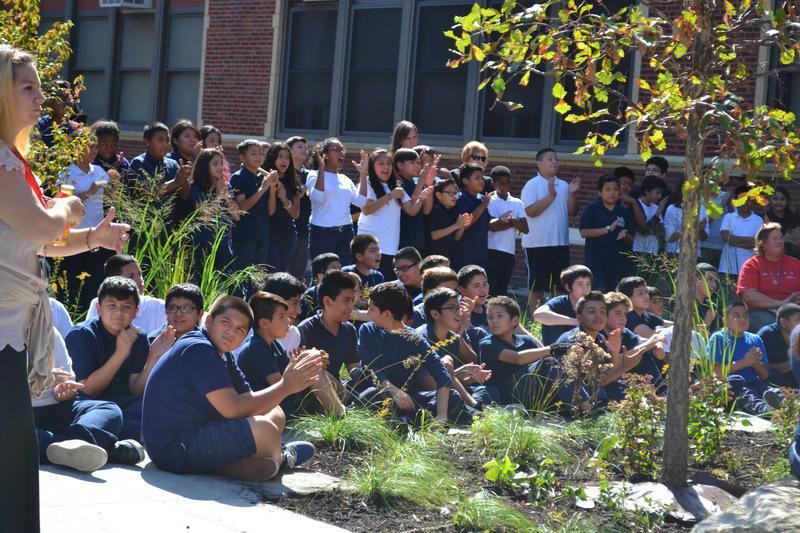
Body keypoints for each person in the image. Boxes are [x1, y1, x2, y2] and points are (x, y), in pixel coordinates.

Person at [0, 45, 128, 531]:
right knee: (9, 454)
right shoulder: (1, 162)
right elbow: (41, 225)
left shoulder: (12, 161)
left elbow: (37, 241)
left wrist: (93, 237)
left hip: (11, 331)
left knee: (12, 454)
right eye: (28, 87)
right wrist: (68, 208)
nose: (40, 97)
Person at [142, 296, 320, 480]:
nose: (231, 332)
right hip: (174, 448)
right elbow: (232, 409)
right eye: (226, 322)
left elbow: (248, 399)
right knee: (266, 430)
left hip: (199, 431)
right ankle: (282, 459)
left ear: (245, 336)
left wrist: (288, 384)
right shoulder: (198, 349)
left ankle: (226, 464)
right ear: (208, 321)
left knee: (275, 413)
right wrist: (286, 386)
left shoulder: (224, 354)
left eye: (240, 329)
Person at [67, 277, 176, 440]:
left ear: (136, 312)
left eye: (126, 307)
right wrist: (120, 354)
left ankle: (121, 439)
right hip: (90, 404)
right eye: (112, 306)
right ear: (99, 308)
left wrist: (153, 357)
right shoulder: (81, 335)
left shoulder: (138, 338)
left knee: (161, 407)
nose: (118, 312)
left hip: (124, 404)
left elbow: (135, 390)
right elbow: (86, 390)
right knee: (111, 415)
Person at [34, 328, 143, 473]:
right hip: (16, 413)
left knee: (108, 409)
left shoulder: (49, 332)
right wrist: (39, 379)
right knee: (10, 436)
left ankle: (77, 444)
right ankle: (105, 450)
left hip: (57, 406)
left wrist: (64, 391)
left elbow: (67, 381)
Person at [357, 282, 461, 422]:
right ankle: (406, 422)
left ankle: (409, 420)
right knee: (369, 396)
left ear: (387, 314)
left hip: (409, 401)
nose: (368, 312)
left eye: (371, 308)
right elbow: (369, 367)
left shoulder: (415, 338)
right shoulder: (367, 330)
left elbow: (442, 375)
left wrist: (442, 415)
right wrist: (394, 391)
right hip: (383, 393)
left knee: (453, 396)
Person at [238, 292, 345, 416]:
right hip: (272, 407)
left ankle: (345, 403)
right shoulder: (256, 348)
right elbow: (280, 386)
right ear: (264, 323)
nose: (288, 320)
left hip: (284, 400)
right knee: (311, 362)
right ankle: (341, 413)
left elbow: (288, 372)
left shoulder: (275, 345)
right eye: (282, 317)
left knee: (312, 361)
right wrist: (306, 363)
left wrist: (309, 360)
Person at [56, 133, 115, 312]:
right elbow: (62, 203)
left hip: (96, 236)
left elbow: (112, 196)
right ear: (76, 148)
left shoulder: (99, 171)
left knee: (94, 281)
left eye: (95, 146)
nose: (93, 150)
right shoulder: (66, 172)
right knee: (71, 281)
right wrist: (90, 191)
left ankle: (89, 314)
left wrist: (114, 181)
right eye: (89, 146)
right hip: (73, 236)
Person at [521, 148, 581, 313]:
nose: (554, 162)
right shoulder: (532, 184)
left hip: (560, 244)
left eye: (556, 159)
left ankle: (555, 318)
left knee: (560, 286)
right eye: (549, 159)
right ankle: (536, 320)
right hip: (537, 244)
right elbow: (530, 211)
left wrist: (571, 194)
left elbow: (572, 211)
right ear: (539, 164)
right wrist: (550, 196)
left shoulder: (564, 185)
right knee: (537, 286)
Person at [357, 148, 427, 280]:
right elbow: (366, 209)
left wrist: (422, 198)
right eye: (381, 163)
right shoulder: (368, 183)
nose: (386, 167)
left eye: (388, 163)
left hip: (390, 247)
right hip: (369, 247)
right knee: (367, 284)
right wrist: (389, 196)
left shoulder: (396, 186)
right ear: (372, 166)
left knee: (385, 283)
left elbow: (411, 210)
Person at [707, 300, 783, 415]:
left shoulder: (755, 339)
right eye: (737, 316)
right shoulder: (717, 338)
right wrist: (745, 362)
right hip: (733, 386)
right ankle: (766, 412)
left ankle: (784, 406)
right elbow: (715, 372)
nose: (742, 319)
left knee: (774, 392)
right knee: (744, 391)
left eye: (745, 316)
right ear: (725, 320)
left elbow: (764, 375)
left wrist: (755, 363)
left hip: (755, 383)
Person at [479, 296, 554, 408]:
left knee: (553, 364)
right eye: (490, 317)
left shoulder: (527, 340)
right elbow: (517, 358)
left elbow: (547, 357)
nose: (494, 321)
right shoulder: (487, 343)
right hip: (505, 395)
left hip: (531, 391)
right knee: (545, 364)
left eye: (500, 316)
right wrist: (552, 349)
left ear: (514, 320)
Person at [307, 138, 369, 264]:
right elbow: (318, 198)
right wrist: (322, 168)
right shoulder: (314, 175)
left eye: (342, 149)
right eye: (336, 149)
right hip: (322, 234)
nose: (342, 153)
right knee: (323, 272)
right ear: (325, 155)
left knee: (345, 272)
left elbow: (361, 202)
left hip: (346, 233)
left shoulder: (345, 179)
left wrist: (363, 174)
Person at [297, 271, 361, 384]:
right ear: (327, 301)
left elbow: (353, 369)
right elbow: (308, 373)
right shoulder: (306, 329)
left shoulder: (349, 330)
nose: (351, 306)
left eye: (352, 301)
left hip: (339, 388)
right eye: (346, 301)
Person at [737, 222, 800, 332]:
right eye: (775, 238)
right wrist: (780, 303)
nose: (779, 241)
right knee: (774, 327)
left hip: (793, 310)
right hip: (762, 311)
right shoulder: (752, 264)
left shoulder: (795, 263)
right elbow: (748, 295)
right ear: (763, 244)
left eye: (781, 237)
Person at [128, 121, 192, 229]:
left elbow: (185, 195)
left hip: (167, 227)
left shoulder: (173, 164)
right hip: (143, 226)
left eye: (167, 140)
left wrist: (184, 178)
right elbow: (148, 193)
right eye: (160, 140)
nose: (166, 144)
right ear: (147, 142)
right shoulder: (138, 163)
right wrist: (175, 182)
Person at [230, 139, 278, 280]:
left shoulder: (262, 176)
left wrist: (272, 188)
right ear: (242, 157)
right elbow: (242, 208)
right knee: (242, 277)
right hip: (245, 236)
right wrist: (263, 188)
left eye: (261, 153)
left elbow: (271, 211)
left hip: (262, 234)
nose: (259, 157)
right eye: (253, 153)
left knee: (258, 278)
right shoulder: (238, 177)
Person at [579, 173, 635, 291]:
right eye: (608, 190)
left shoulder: (624, 211)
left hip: (620, 264)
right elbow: (584, 232)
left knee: (617, 296)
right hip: (597, 263)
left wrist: (625, 235)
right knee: (599, 294)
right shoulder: (591, 209)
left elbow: (632, 239)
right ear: (600, 192)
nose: (612, 193)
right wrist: (607, 229)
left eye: (615, 189)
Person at [85, 254, 167, 333]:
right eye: (131, 276)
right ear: (115, 280)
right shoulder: (99, 303)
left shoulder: (158, 307)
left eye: (140, 274)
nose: (140, 280)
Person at [188, 148, 236, 275]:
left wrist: (225, 194)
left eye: (221, 163)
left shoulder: (226, 186)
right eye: (215, 164)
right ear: (205, 166)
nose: (220, 167)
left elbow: (236, 215)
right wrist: (219, 195)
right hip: (204, 243)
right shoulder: (196, 188)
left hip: (223, 242)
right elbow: (205, 215)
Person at [486, 166, 528, 296]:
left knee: (503, 289)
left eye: (507, 183)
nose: (505, 186)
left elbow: (525, 229)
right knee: (490, 288)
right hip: (491, 251)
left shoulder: (517, 202)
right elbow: (491, 227)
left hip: (509, 253)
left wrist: (510, 221)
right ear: (493, 183)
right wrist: (513, 223)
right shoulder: (489, 201)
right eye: (501, 183)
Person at [534, 265, 593, 345]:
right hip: (553, 351)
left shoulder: (592, 305)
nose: (585, 289)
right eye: (580, 284)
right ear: (568, 287)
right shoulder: (559, 302)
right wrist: (575, 322)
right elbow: (538, 315)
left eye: (588, 284)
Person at [264, 142, 301, 272]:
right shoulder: (264, 179)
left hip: (288, 235)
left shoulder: (293, 182)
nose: (284, 161)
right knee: (274, 272)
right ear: (272, 158)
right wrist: (272, 190)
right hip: (269, 234)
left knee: (282, 272)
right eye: (280, 156)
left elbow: (296, 214)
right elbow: (270, 212)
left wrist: (284, 199)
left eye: (287, 157)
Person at [453, 163, 493, 271]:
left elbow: (487, 223)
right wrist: (484, 205)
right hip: (464, 255)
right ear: (465, 181)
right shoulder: (460, 198)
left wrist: (502, 220)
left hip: (481, 255)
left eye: (482, 178)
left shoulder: (482, 198)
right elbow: (465, 224)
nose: (481, 181)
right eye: (477, 178)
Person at [394, 147, 435, 252]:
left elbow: (426, 211)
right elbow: (411, 207)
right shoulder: (397, 184)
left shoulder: (417, 183)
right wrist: (421, 181)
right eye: (412, 162)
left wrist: (429, 185)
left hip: (418, 239)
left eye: (418, 163)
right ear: (400, 165)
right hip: (402, 239)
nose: (417, 166)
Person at [719, 185, 763, 279]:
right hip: (727, 268)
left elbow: (757, 244)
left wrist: (733, 240)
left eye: (749, 199)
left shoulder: (759, 220)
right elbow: (726, 238)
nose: (746, 202)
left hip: (749, 269)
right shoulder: (729, 217)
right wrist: (749, 239)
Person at [286, 135, 312, 280]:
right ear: (289, 150)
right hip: (287, 228)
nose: (304, 150)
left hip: (304, 227)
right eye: (300, 147)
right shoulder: (285, 173)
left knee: (298, 274)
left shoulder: (310, 175)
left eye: (306, 147)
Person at [427, 177, 471, 259]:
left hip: (448, 256)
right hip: (435, 257)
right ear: (439, 195)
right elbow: (434, 235)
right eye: (449, 193)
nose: (454, 196)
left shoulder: (452, 211)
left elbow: (455, 238)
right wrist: (456, 225)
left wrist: (462, 226)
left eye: (455, 193)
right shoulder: (437, 209)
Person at [757, 303, 800, 387]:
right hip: (772, 384)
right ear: (783, 322)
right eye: (798, 320)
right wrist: (794, 362)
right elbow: (762, 369)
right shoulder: (767, 335)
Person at [663, 178, 709, 257]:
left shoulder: (702, 209)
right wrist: (692, 228)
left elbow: (704, 238)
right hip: (674, 254)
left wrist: (701, 230)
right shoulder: (672, 209)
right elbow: (669, 237)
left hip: (694, 254)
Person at [631, 175, 668, 263]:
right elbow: (644, 230)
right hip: (639, 251)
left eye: (661, 193)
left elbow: (661, 231)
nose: (660, 196)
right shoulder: (637, 206)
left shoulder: (656, 207)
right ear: (647, 191)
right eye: (657, 193)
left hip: (654, 251)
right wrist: (658, 213)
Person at [299, 252, 342, 321]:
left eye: (339, 268)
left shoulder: (343, 292)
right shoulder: (308, 297)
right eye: (334, 268)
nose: (339, 272)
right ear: (320, 275)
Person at [765, 186, 800, 259]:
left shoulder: (794, 219)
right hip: (770, 259)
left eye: (782, 199)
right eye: (775, 199)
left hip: (791, 259)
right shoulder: (765, 218)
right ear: (770, 201)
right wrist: (784, 239)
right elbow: (762, 243)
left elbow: (796, 242)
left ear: (787, 202)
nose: (778, 202)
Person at [694, 263, 719, 334]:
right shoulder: (682, 303)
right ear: (696, 279)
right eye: (710, 279)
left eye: (715, 281)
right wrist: (707, 322)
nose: (714, 285)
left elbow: (713, 336)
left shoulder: (712, 307)